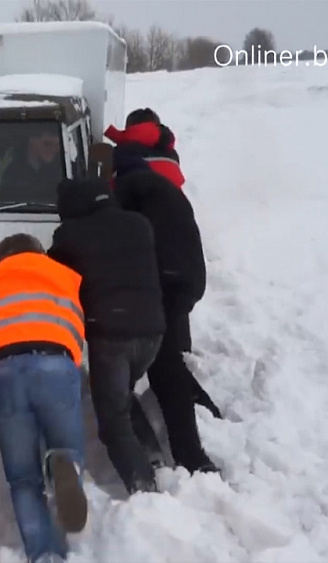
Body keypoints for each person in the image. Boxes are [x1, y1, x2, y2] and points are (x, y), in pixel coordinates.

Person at [47, 179, 166, 494]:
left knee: (112, 419)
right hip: (153, 331)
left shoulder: (70, 235)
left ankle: (143, 486)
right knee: (122, 394)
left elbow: (52, 274)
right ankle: (153, 457)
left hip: (111, 335)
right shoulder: (140, 224)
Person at [0, 233, 88, 563]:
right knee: (68, 447)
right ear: (39, 252)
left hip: (8, 370)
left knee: (23, 478)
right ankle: (63, 464)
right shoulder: (65, 276)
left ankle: (44, 555)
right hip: (57, 364)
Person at [113, 166, 220, 474]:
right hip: (189, 279)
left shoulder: (128, 191)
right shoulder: (164, 194)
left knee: (163, 363)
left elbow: (124, 235)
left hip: (168, 278)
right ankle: (199, 404)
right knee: (166, 354)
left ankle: (191, 455)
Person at [0, 126, 65, 205]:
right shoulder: (3, 161)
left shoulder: (65, 164)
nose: (53, 149)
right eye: (48, 144)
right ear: (32, 141)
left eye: (57, 145)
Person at [105, 107, 185, 190]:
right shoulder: (172, 154)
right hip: (176, 200)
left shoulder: (125, 150)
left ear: (131, 130)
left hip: (140, 198)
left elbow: (111, 185)